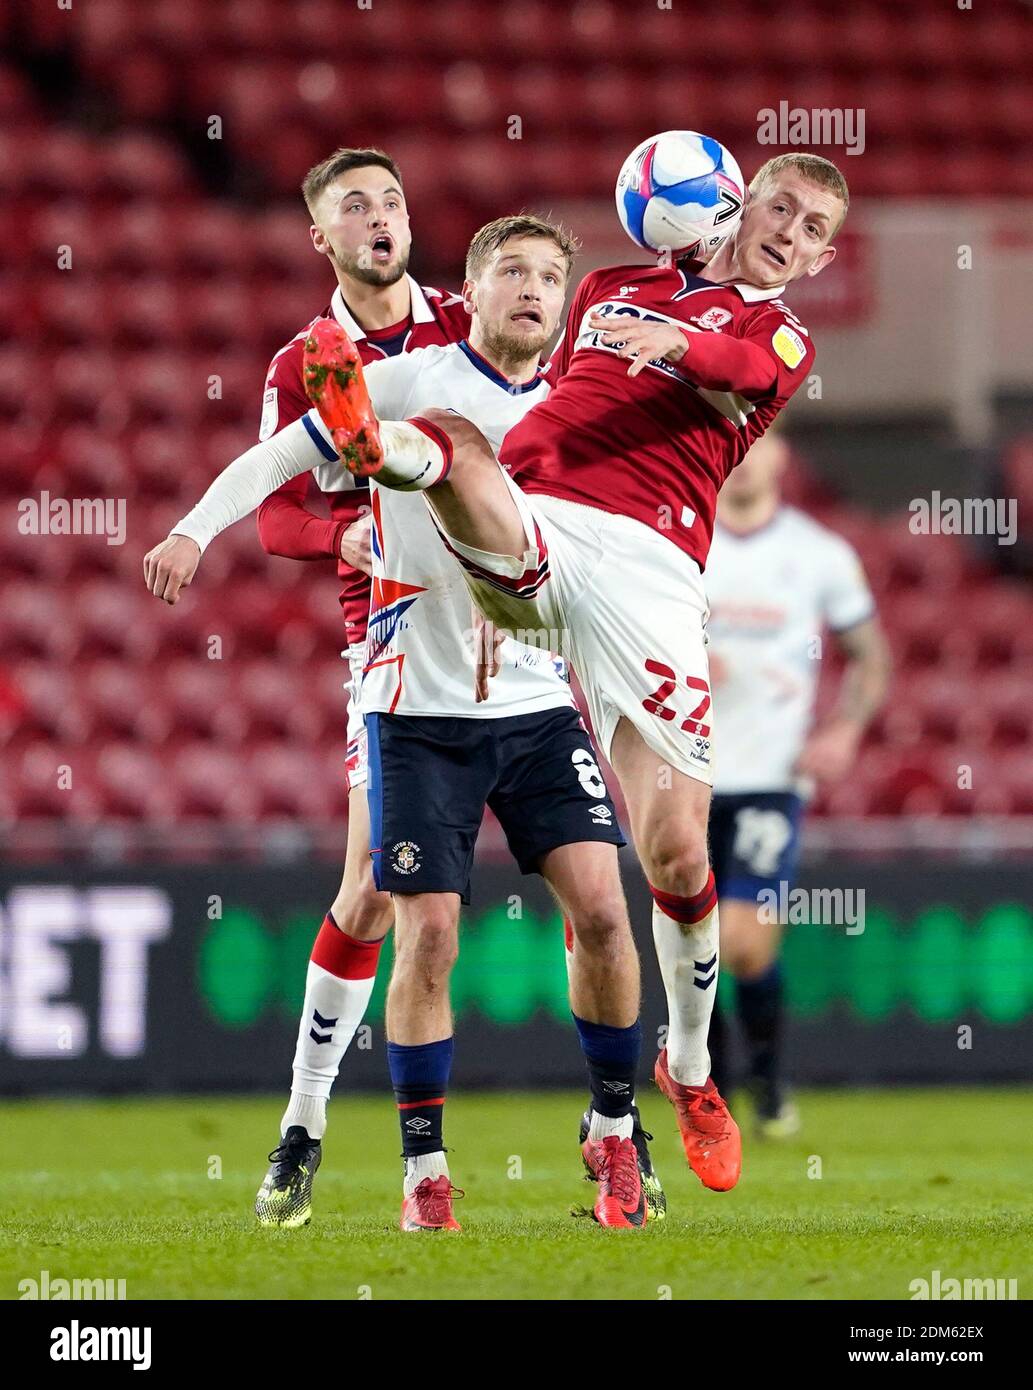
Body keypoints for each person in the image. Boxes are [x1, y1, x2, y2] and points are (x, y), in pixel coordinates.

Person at [302, 150, 853, 1193]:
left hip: (649, 576)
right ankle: (373, 450)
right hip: (545, 531)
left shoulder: (775, 333)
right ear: (742, 198)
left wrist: (679, 340)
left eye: (814, 228)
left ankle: (686, 1066)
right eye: (781, 204)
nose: (791, 230)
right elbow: (524, 368)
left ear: (820, 257)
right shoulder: (609, 285)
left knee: (676, 852)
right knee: (458, 444)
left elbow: (733, 372)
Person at [144, 216, 667, 1231]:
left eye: (550, 276)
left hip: (534, 700)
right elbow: (274, 467)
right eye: (511, 270)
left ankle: (611, 1126)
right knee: (425, 930)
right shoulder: (408, 379)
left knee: (605, 909)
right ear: (470, 291)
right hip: (414, 709)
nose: (533, 288)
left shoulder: (578, 407)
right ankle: (421, 1168)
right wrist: (189, 529)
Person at [144, 145, 469, 1225]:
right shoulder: (310, 361)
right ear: (320, 240)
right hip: (392, 635)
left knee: (589, 878)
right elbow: (283, 511)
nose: (379, 216)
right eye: (353, 208)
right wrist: (365, 525)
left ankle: (616, 1121)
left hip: (516, 630)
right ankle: (304, 1124)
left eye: (391, 197)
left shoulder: (474, 320)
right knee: (375, 889)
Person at [703, 431, 890, 1134]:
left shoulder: (818, 554)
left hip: (771, 779)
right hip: (683, 774)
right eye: (736, 442)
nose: (748, 456)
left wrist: (841, 729)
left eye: (762, 443)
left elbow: (869, 657)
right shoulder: (683, 542)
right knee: (694, 947)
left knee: (743, 941)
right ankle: (712, 1095)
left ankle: (768, 1077)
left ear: (782, 458)